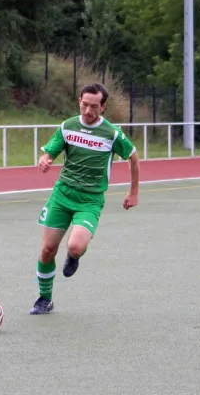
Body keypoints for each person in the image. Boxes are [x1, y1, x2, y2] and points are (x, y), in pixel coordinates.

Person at [29, 83, 140, 315]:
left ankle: (73, 256)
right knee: (48, 249)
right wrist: (45, 159)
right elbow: (49, 152)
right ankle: (44, 299)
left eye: (94, 107)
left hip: (90, 200)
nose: (88, 111)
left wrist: (134, 192)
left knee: (75, 246)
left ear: (103, 107)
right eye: (85, 105)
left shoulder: (112, 133)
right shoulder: (68, 126)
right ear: (79, 100)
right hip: (62, 194)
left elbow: (133, 157)